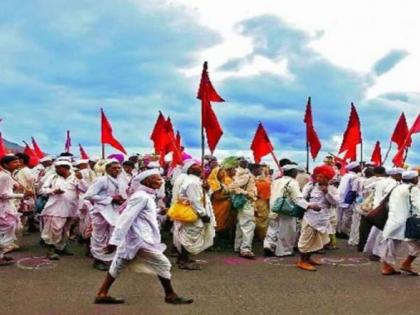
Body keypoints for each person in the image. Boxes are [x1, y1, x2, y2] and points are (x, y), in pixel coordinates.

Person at [94, 169, 193, 305]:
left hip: (135, 238)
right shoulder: (141, 196)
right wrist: (114, 241)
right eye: (158, 179)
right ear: (148, 181)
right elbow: (126, 218)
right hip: (140, 239)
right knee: (163, 263)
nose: (162, 181)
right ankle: (170, 295)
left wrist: (160, 211)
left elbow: (144, 213)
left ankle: (101, 293)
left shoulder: (146, 196)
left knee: (118, 264)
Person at [264, 164, 319, 257]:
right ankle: (284, 251)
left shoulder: (276, 181)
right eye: (295, 171)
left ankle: (269, 245)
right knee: (287, 230)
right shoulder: (293, 182)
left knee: (273, 228)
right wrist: (309, 205)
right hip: (286, 209)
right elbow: (297, 198)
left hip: (274, 206)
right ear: (292, 172)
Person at [172, 160, 215, 270]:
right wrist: (203, 214)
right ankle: (184, 261)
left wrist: (207, 188)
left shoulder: (197, 181)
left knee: (188, 235)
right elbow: (195, 200)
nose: (200, 166)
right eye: (196, 165)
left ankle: (182, 259)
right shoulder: (192, 182)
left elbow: (205, 196)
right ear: (190, 170)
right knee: (189, 236)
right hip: (193, 214)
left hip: (195, 212)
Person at [84, 160, 125, 271]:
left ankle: (111, 259)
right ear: (107, 169)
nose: (117, 170)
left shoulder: (121, 180)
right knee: (99, 236)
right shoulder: (101, 180)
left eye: (118, 168)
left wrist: (121, 200)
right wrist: (110, 199)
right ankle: (98, 259)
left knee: (114, 234)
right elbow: (88, 195)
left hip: (115, 211)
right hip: (101, 211)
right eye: (114, 168)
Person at [39, 160, 84, 260]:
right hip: (55, 208)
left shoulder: (75, 178)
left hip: (71, 208)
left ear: (66, 168)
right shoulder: (53, 177)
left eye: (58, 168)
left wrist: (81, 180)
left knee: (65, 230)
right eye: (56, 168)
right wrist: (53, 191)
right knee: (53, 229)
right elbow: (42, 190)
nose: (56, 170)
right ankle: (50, 251)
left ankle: (61, 247)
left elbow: (85, 189)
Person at [378, 170, 420, 275]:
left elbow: (385, 202)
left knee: (391, 245)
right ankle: (406, 264)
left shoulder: (396, 187)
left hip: (393, 220)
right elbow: (418, 205)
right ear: (414, 179)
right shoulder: (413, 189)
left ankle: (388, 267)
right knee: (417, 244)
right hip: (408, 222)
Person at [297, 165, 337, 271]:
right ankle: (302, 261)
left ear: (328, 177)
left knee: (318, 241)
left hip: (323, 219)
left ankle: (309, 259)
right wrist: (310, 205)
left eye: (322, 177)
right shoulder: (310, 186)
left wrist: (327, 193)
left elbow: (336, 203)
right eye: (317, 176)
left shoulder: (332, 188)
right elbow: (299, 199)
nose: (319, 179)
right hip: (310, 218)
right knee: (306, 239)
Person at [363, 168, 402, 259]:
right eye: (400, 175)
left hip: (376, 208)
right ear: (395, 175)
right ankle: (377, 253)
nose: (401, 177)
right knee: (381, 232)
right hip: (384, 209)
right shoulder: (393, 183)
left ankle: (370, 249)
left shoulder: (381, 181)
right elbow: (387, 196)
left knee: (375, 231)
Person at [0, 155, 30, 265]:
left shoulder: (8, 176)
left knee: (8, 230)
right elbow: (3, 195)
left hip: (6, 206)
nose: (18, 164)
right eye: (14, 162)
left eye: (18, 162)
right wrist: (22, 195)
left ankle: (1, 254)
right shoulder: (5, 176)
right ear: (5, 165)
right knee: (8, 230)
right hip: (4, 207)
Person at [230, 158, 258, 259]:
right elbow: (232, 186)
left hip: (245, 203)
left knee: (241, 225)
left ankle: (238, 247)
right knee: (248, 225)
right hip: (246, 202)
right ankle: (245, 249)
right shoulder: (246, 176)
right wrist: (246, 194)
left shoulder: (243, 174)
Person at [336, 162, 361, 239]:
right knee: (348, 217)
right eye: (359, 166)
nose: (360, 167)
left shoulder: (345, 175)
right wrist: (359, 201)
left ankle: (338, 231)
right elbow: (354, 190)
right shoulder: (354, 177)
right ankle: (344, 232)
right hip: (348, 199)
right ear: (355, 168)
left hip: (339, 198)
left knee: (339, 216)